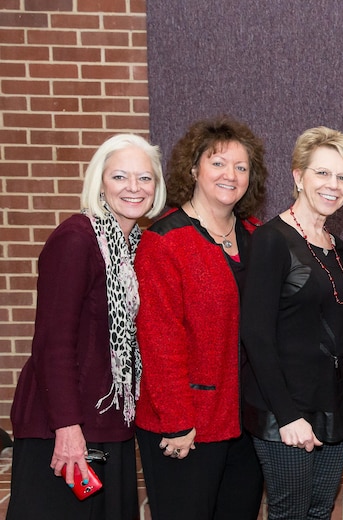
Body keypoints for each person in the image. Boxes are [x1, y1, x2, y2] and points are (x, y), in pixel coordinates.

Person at [7, 134, 166, 519]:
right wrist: (67, 428)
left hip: (111, 425)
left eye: (145, 178)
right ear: (99, 182)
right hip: (63, 428)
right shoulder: (76, 238)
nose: (134, 188)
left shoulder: (135, 247)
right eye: (120, 177)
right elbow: (53, 344)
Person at [134, 116, 267, 520]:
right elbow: (158, 340)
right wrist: (176, 422)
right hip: (188, 424)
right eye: (218, 163)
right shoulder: (164, 241)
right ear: (193, 169)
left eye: (241, 167)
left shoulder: (257, 235)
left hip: (247, 423)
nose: (231, 175)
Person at [241, 127, 343, 519]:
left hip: (332, 408)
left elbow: (342, 325)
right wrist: (288, 416)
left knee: (319, 512)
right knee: (290, 514)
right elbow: (255, 335)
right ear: (298, 176)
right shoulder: (272, 239)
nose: (334, 185)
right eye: (323, 173)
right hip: (287, 412)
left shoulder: (335, 245)